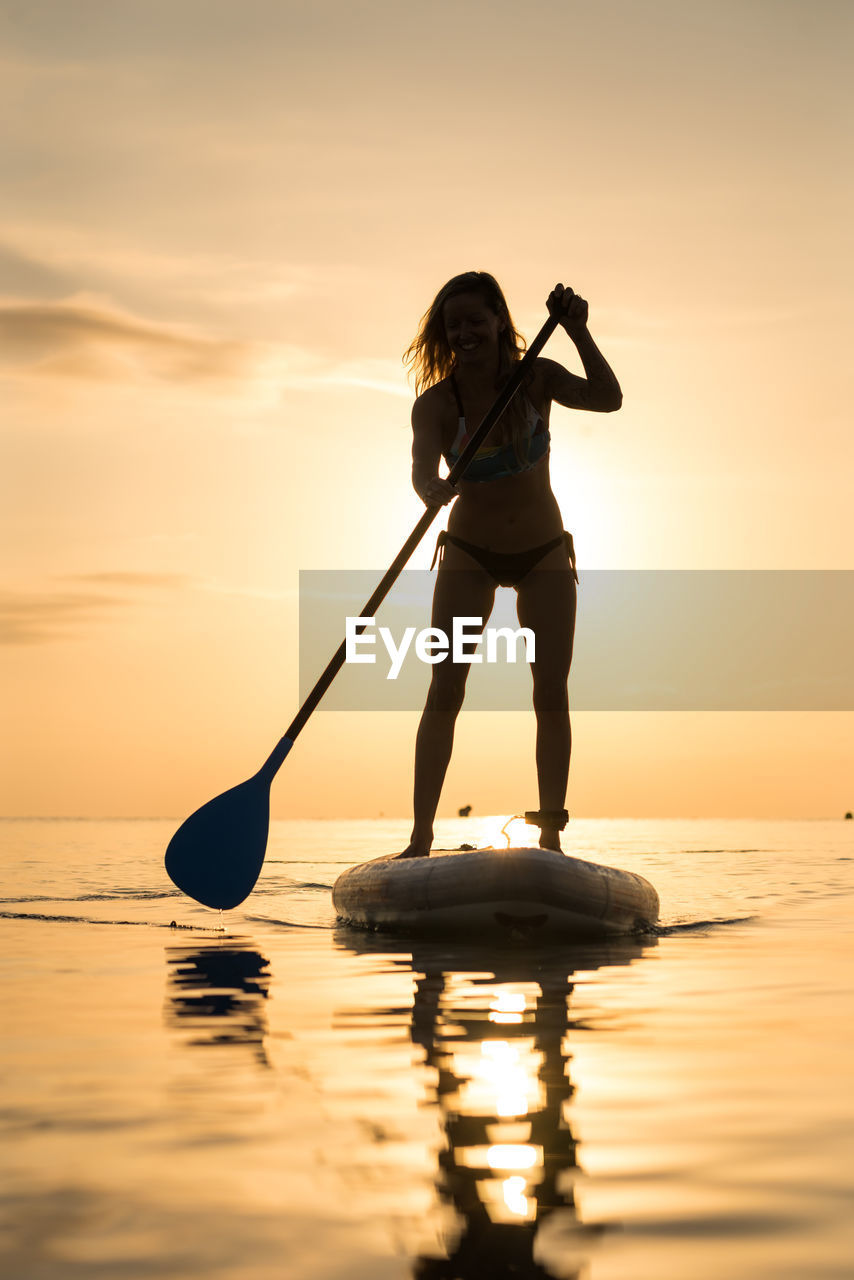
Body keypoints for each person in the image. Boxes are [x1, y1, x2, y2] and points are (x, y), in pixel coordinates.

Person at [398, 272, 621, 858]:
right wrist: (430, 489)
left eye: (476, 320)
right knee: (445, 689)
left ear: (500, 320)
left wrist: (577, 330)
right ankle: (420, 839)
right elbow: (422, 469)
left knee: (551, 690)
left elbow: (608, 397)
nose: (466, 333)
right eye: (454, 325)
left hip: (544, 551)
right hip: (469, 554)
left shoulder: (535, 379)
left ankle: (549, 835)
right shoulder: (437, 406)